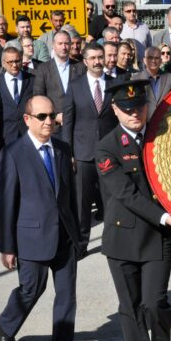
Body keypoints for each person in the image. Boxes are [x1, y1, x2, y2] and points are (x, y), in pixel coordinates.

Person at [95, 79, 171, 341]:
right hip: (124, 236)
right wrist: (166, 216)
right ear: (114, 110)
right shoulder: (107, 146)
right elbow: (125, 193)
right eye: (126, 109)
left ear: (148, 107)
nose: (134, 114)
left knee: (154, 303)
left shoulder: (163, 139)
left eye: (138, 108)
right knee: (131, 307)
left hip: (160, 237)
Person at [0, 95, 80, 341]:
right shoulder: (13, 153)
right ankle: (6, 326)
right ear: (27, 119)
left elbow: (69, 196)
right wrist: (7, 247)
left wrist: (78, 236)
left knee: (67, 294)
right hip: (31, 235)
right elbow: (7, 203)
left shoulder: (63, 149)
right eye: (41, 116)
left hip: (65, 236)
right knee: (31, 289)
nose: (48, 121)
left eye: (51, 115)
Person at [62, 43, 117, 258]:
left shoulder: (114, 84)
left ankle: (110, 242)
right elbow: (68, 121)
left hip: (108, 154)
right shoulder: (75, 86)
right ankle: (81, 243)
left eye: (100, 57)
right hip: (82, 154)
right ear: (85, 61)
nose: (97, 61)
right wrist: (69, 153)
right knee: (82, 204)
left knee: (110, 201)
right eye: (93, 58)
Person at [33, 30, 86, 135]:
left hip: (77, 126)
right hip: (53, 126)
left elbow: (85, 95)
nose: (64, 47)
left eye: (66, 43)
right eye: (60, 43)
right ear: (53, 45)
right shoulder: (43, 69)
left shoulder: (80, 67)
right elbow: (39, 96)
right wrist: (55, 116)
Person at [0, 46, 36, 149]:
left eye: (17, 61)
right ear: (4, 63)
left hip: (28, 133)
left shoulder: (32, 80)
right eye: (10, 62)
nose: (14, 65)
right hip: (6, 134)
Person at [132, 46, 171, 120]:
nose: (153, 61)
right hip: (144, 123)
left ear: (160, 60)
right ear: (144, 60)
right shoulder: (135, 79)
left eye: (156, 58)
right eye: (150, 57)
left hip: (165, 122)